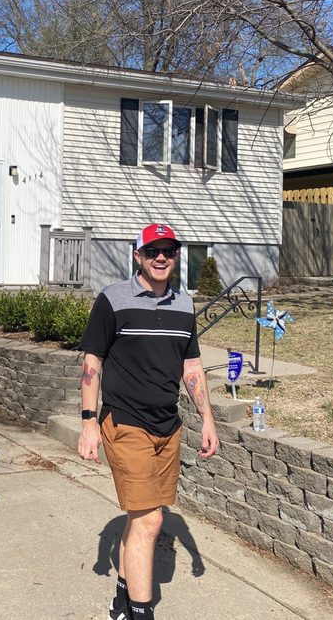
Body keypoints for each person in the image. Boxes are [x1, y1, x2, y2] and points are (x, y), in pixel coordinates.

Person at [78, 223, 219, 620]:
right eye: (153, 250)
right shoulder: (113, 299)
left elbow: (191, 365)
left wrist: (207, 418)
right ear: (138, 255)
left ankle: (121, 600)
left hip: (167, 426)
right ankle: (141, 612)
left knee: (140, 518)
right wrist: (89, 423)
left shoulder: (184, 304)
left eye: (169, 250)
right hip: (124, 424)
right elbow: (92, 362)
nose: (162, 257)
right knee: (151, 519)